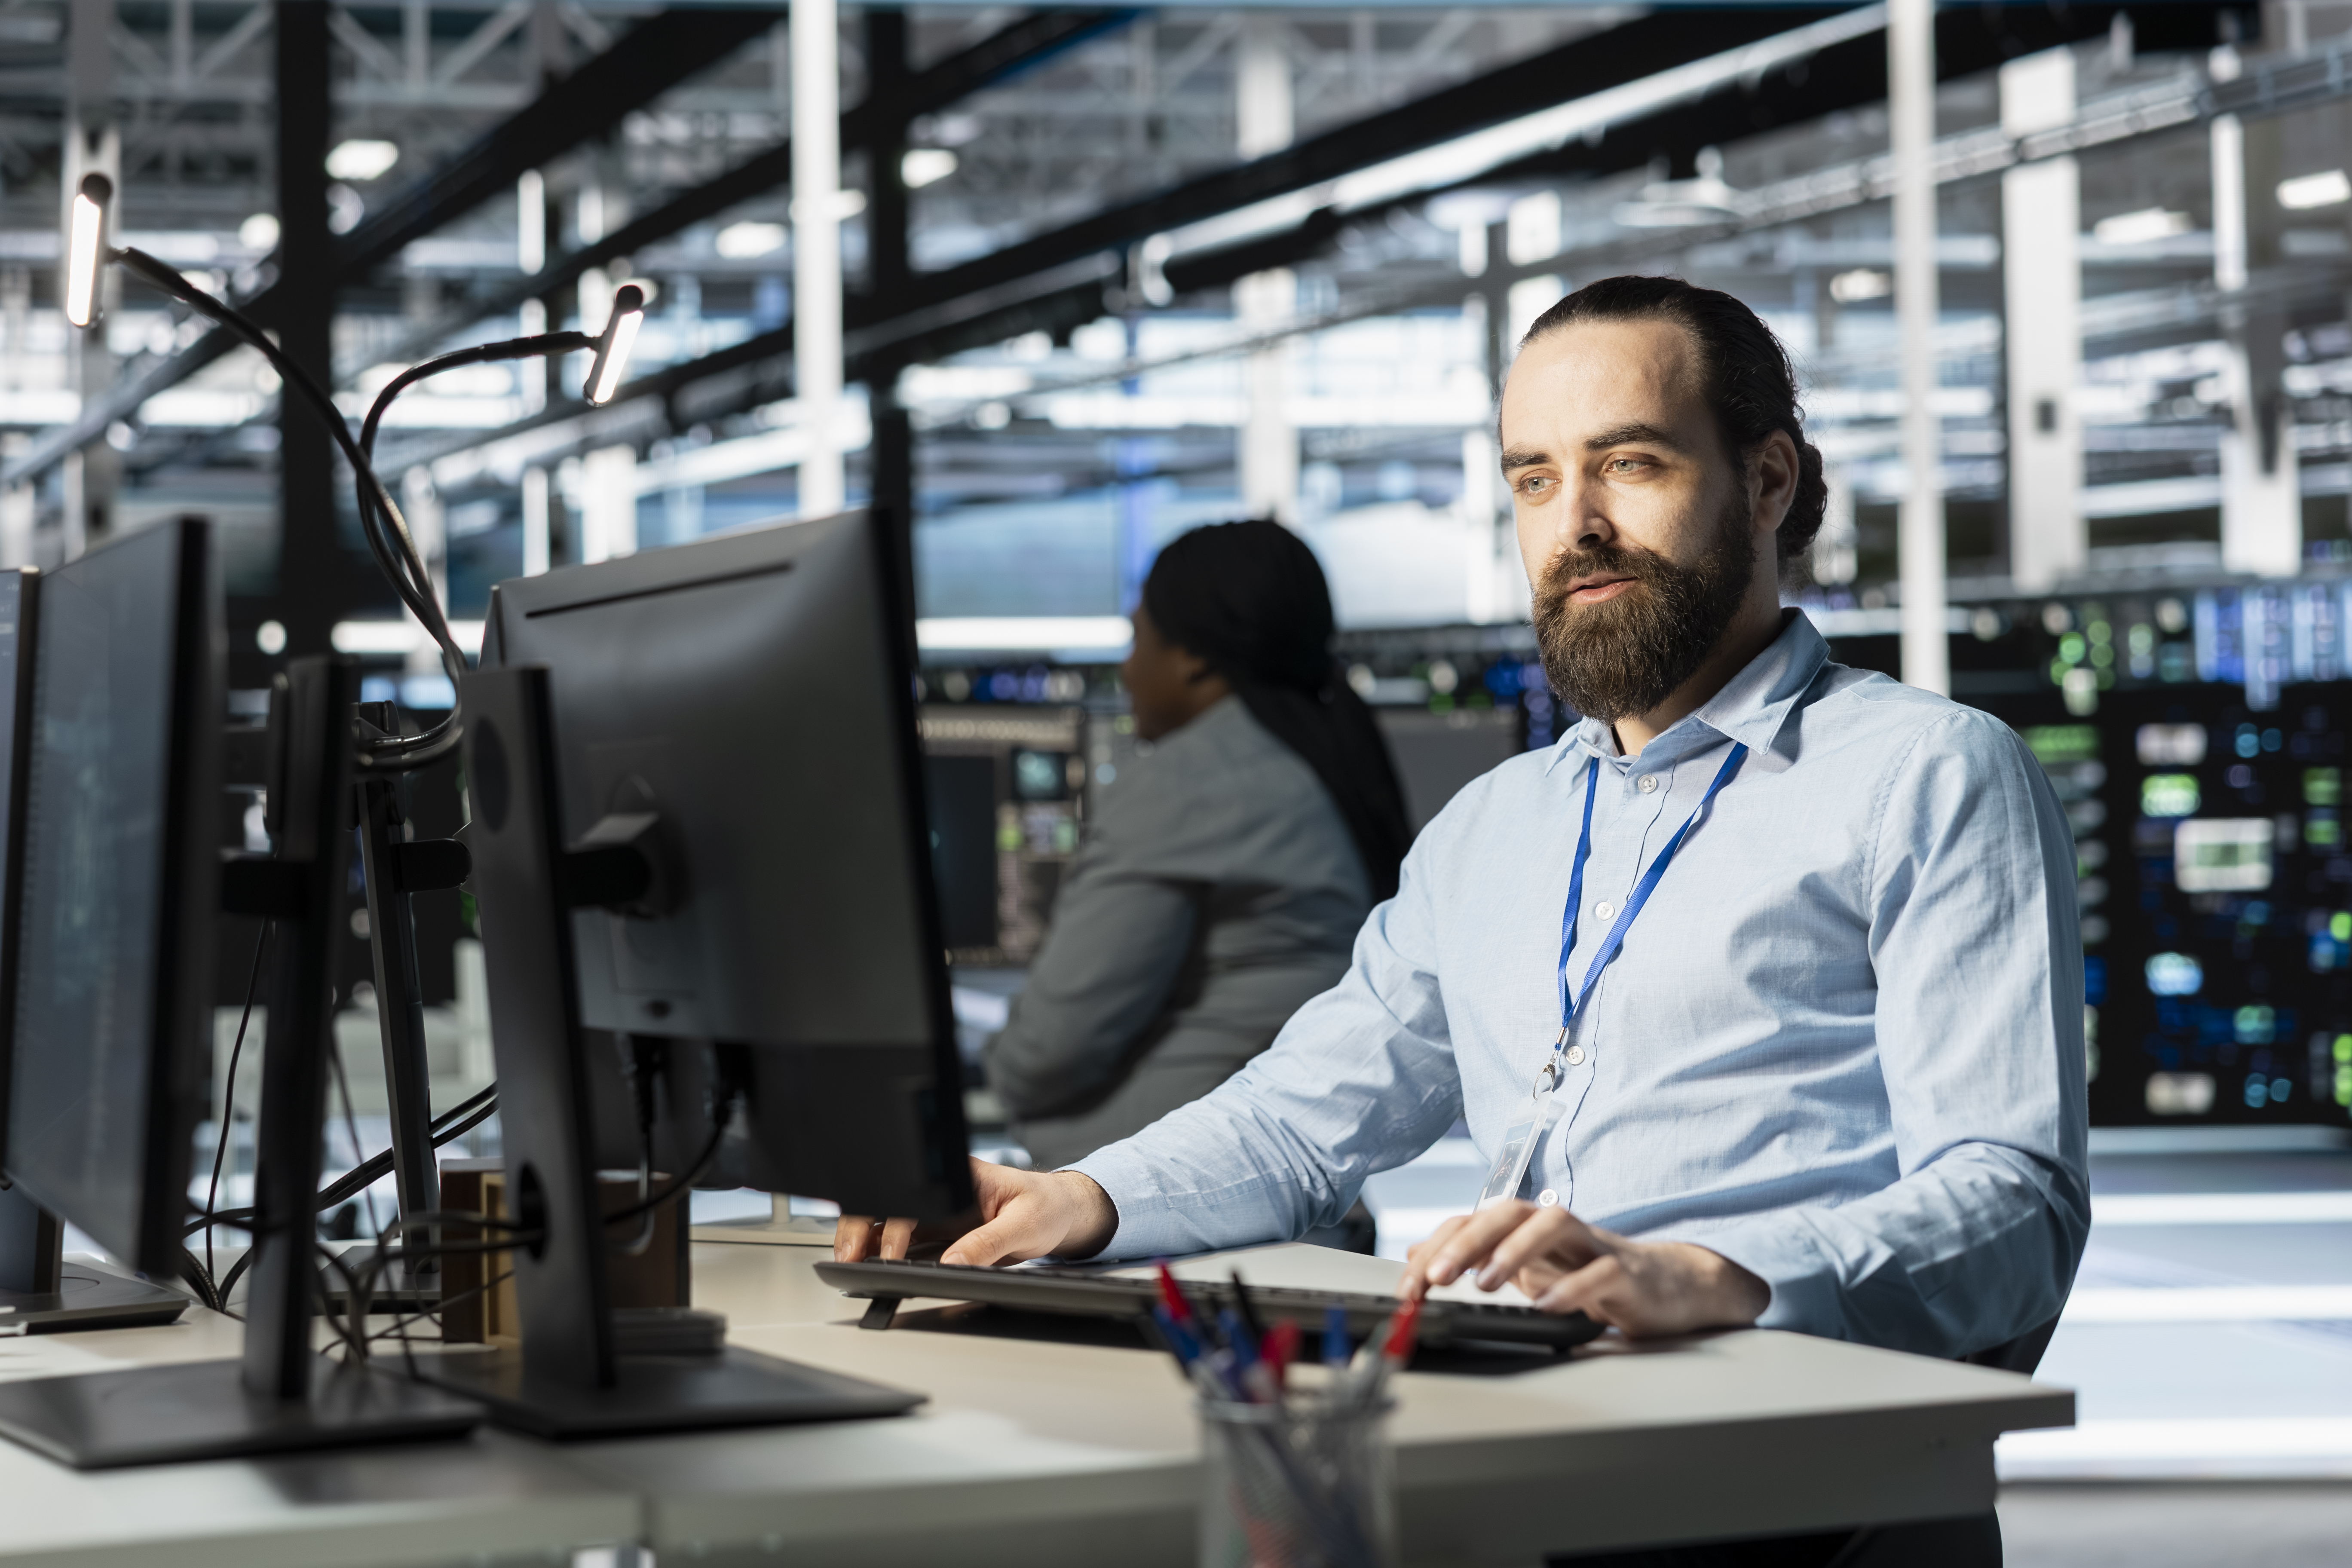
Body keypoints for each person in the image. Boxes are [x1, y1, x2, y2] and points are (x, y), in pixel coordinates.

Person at [842, 275, 2087, 1562]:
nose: (1577, 523)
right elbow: (1299, 1121)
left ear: (1769, 484)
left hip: (1800, 1494)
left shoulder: (1929, 774)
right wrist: (1073, 1198)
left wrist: (1725, 1273)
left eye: (1632, 464)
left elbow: (2016, 1201)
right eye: (1534, 479)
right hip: (1542, 1460)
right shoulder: (1495, 825)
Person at [980, 520, 1413, 1170]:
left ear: (1193, 657)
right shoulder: (1322, 760)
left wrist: (991, 1062)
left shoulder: (1191, 782)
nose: (1127, 669)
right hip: (1288, 1184)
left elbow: (1048, 1053)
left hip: (1160, 1206)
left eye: (1137, 637)